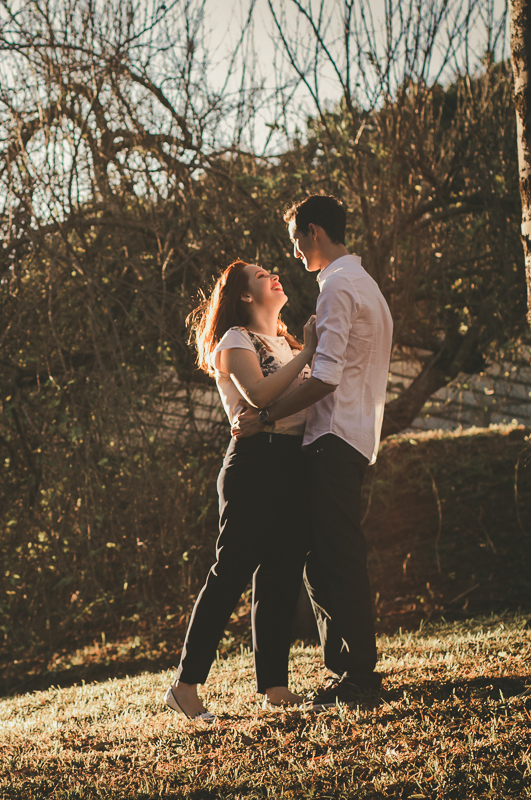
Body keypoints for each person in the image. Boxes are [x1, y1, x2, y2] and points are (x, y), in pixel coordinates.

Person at [234, 194, 393, 709]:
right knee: (328, 558)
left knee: (335, 558)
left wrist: (264, 416)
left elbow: (325, 378)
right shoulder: (364, 285)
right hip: (355, 435)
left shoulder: (338, 288)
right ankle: (351, 670)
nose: (295, 254)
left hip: (332, 438)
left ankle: (358, 677)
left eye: (295, 242)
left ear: (313, 233)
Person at [163, 259, 319, 724]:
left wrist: (302, 349)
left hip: (292, 460)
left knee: (280, 575)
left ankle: (274, 687)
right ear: (246, 296)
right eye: (259, 275)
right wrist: (308, 353)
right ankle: (185, 686)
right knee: (230, 572)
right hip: (255, 463)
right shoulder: (235, 340)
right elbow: (259, 396)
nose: (273, 273)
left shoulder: (285, 341)